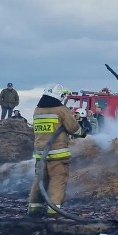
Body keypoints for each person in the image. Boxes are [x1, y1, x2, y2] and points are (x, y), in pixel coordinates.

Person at [28, 83, 85, 216]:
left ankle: (34, 208)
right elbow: (74, 128)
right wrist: (83, 132)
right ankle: (54, 211)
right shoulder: (61, 110)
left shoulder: (37, 110)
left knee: (39, 180)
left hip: (40, 154)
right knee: (57, 180)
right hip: (58, 154)